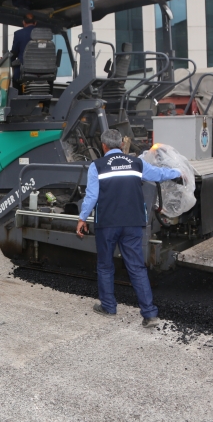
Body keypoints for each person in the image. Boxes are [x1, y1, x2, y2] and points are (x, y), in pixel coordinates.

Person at [75, 129, 182, 328]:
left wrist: (82, 219)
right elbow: (159, 174)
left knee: (105, 266)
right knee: (136, 266)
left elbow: (91, 196)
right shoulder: (136, 163)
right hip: (133, 222)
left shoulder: (97, 166)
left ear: (103, 146)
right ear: (122, 145)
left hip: (107, 223)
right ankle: (149, 314)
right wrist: (178, 172)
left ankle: (109, 306)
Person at [9, 13, 37, 90]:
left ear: (24, 22)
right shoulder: (44, 34)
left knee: (16, 79)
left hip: (24, 72)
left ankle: (18, 98)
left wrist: (9, 61)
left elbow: (14, 53)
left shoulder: (18, 34)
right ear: (35, 23)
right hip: (42, 72)